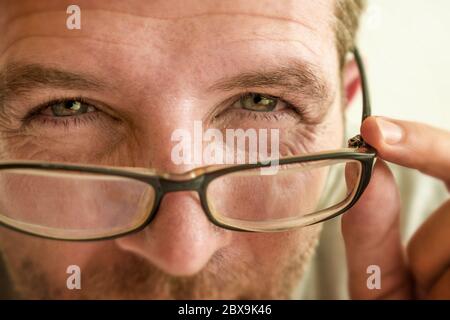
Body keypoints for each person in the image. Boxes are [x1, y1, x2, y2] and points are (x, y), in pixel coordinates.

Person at [0, 0, 448, 299]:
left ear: (344, 106)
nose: (182, 256)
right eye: (65, 108)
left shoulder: (427, 241)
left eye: (261, 102)